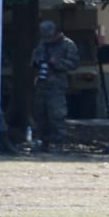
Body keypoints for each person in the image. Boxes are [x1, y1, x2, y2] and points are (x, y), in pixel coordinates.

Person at [30, 20, 80, 152]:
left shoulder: (68, 45)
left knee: (57, 115)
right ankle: (43, 142)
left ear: (57, 33)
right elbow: (34, 59)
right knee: (40, 114)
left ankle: (58, 143)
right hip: (41, 83)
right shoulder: (42, 44)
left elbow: (74, 63)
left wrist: (57, 63)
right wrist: (37, 61)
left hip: (57, 86)